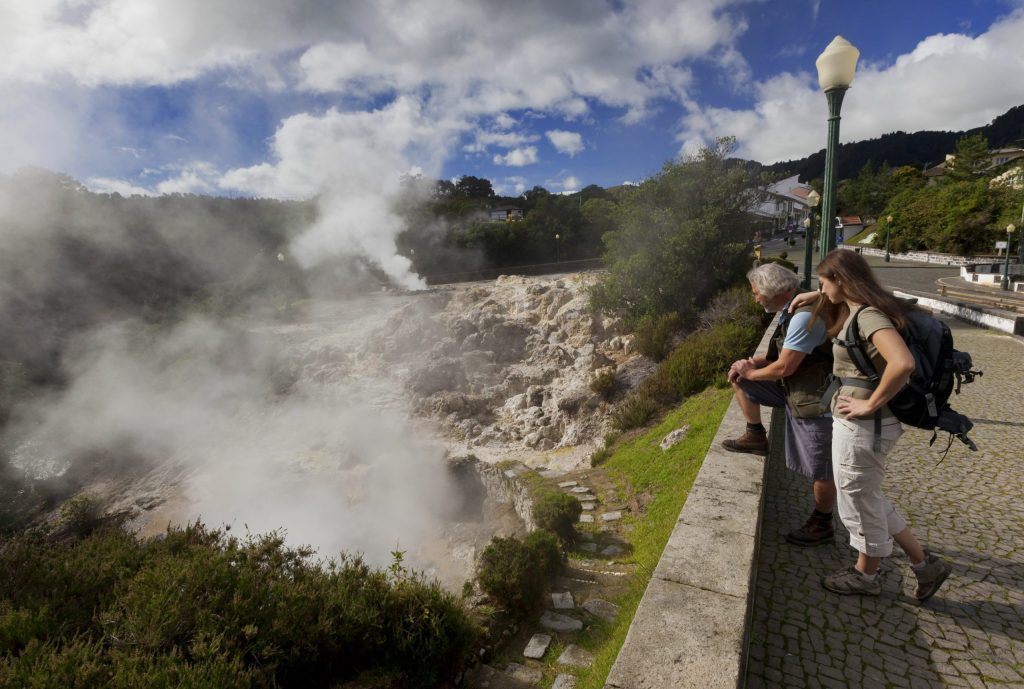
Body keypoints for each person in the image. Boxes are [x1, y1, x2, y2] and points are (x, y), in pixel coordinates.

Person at [793, 249, 951, 601]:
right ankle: (925, 564)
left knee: (857, 500)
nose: (821, 287)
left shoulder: (867, 317)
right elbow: (833, 296)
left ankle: (866, 575)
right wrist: (817, 294)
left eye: (824, 281)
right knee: (868, 496)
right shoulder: (858, 308)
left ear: (843, 281)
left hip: (866, 427)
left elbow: (902, 362)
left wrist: (871, 403)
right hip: (864, 426)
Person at [722, 263, 837, 546]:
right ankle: (756, 435)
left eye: (757, 293)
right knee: (740, 378)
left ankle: (823, 523)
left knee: (821, 466)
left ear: (776, 292)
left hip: (815, 399)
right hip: (797, 390)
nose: (755, 298)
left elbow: (784, 367)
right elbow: (776, 358)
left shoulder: (802, 318)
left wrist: (752, 372)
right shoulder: (790, 313)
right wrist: (748, 365)